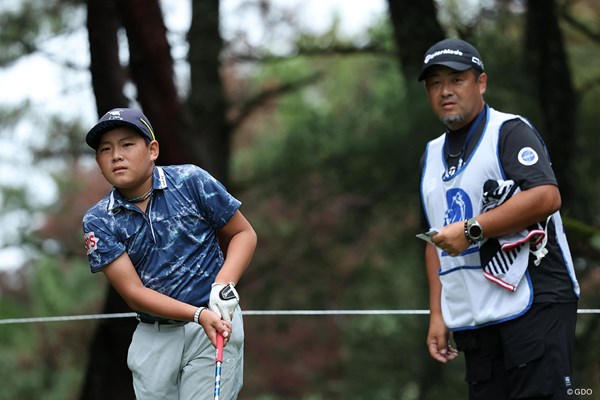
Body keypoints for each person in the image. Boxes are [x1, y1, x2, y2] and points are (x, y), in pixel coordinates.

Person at [417, 38, 580, 399]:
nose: (445, 91)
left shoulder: (508, 131)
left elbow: (547, 196)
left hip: (535, 303)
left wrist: (473, 229)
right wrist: (437, 313)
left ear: (481, 83)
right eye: (435, 82)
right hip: (478, 318)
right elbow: (435, 240)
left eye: (457, 79)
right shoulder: (430, 156)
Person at [82, 108, 257, 400]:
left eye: (127, 144)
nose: (116, 155)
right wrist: (195, 314)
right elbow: (133, 292)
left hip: (213, 325)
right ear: (99, 161)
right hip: (155, 337)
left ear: (152, 150)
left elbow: (243, 233)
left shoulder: (191, 181)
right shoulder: (98, 220)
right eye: (105, 149)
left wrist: (223, 285)